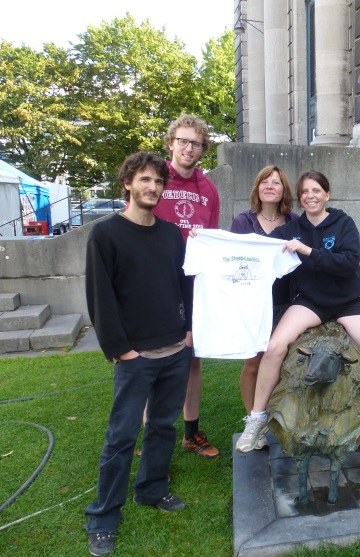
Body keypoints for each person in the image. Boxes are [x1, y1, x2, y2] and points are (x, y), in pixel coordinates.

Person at [235, 171, 360, 471]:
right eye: (305, 191)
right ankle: (256, 419)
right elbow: (255, 249)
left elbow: (347, 263)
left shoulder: (343, 223)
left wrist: (308, 251)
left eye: (316, 190)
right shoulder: (292, 228)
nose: (310, 196)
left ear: (327, 194)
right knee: (274, 348)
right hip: (310, 303)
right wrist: (207, 240)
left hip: (348, 303)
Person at [84, 152, 193, 557]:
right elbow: (100, 297)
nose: (152, 187)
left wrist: (188, 330)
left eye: (158, 182)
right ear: (128, 183)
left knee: (163, 426)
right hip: (135, 355)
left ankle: (151, 489)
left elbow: (184, 283)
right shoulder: (106, 235)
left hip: (175, 348)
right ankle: (103, 516)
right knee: (122, 436)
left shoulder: (169, 234)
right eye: (144, 180)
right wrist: (121, 350)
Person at [152, 114, 221, 459]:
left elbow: (212, 240)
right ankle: (151, 434)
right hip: (155, 280)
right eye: (183, 141)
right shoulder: (155, 177)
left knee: (192, 358)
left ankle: (191, 432)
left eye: (195, 143)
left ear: (202, 148)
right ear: (171, 143)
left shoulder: (208, 189)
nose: (188, 148)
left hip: (193, 283)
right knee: (153, 358)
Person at [230, 165, 299, 443]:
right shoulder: (244, 222)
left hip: (287, 304)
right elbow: (231, 258)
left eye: (276, 182)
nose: (270, 186)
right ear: (257, 187)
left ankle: (283, 418)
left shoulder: (294, 223)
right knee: (253, 363)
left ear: (284, 190)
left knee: (284, 363)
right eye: (265, 182)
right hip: (253, 304)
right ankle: (253, 420)